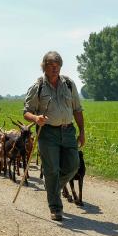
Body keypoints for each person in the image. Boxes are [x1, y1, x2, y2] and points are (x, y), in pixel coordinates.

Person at [23, 51, 85, 221]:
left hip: (68, 131)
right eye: (51, 64)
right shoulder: (38, 87)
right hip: (48, 133)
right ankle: (56, 208)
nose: (54, 67)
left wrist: (82, 132)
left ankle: (53, 188)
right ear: (44, 66)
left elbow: (77, 110)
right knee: (51, 170)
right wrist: (36, 118)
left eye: (57, 64)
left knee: (73, 165)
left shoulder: (69, 84)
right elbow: (26, 112)